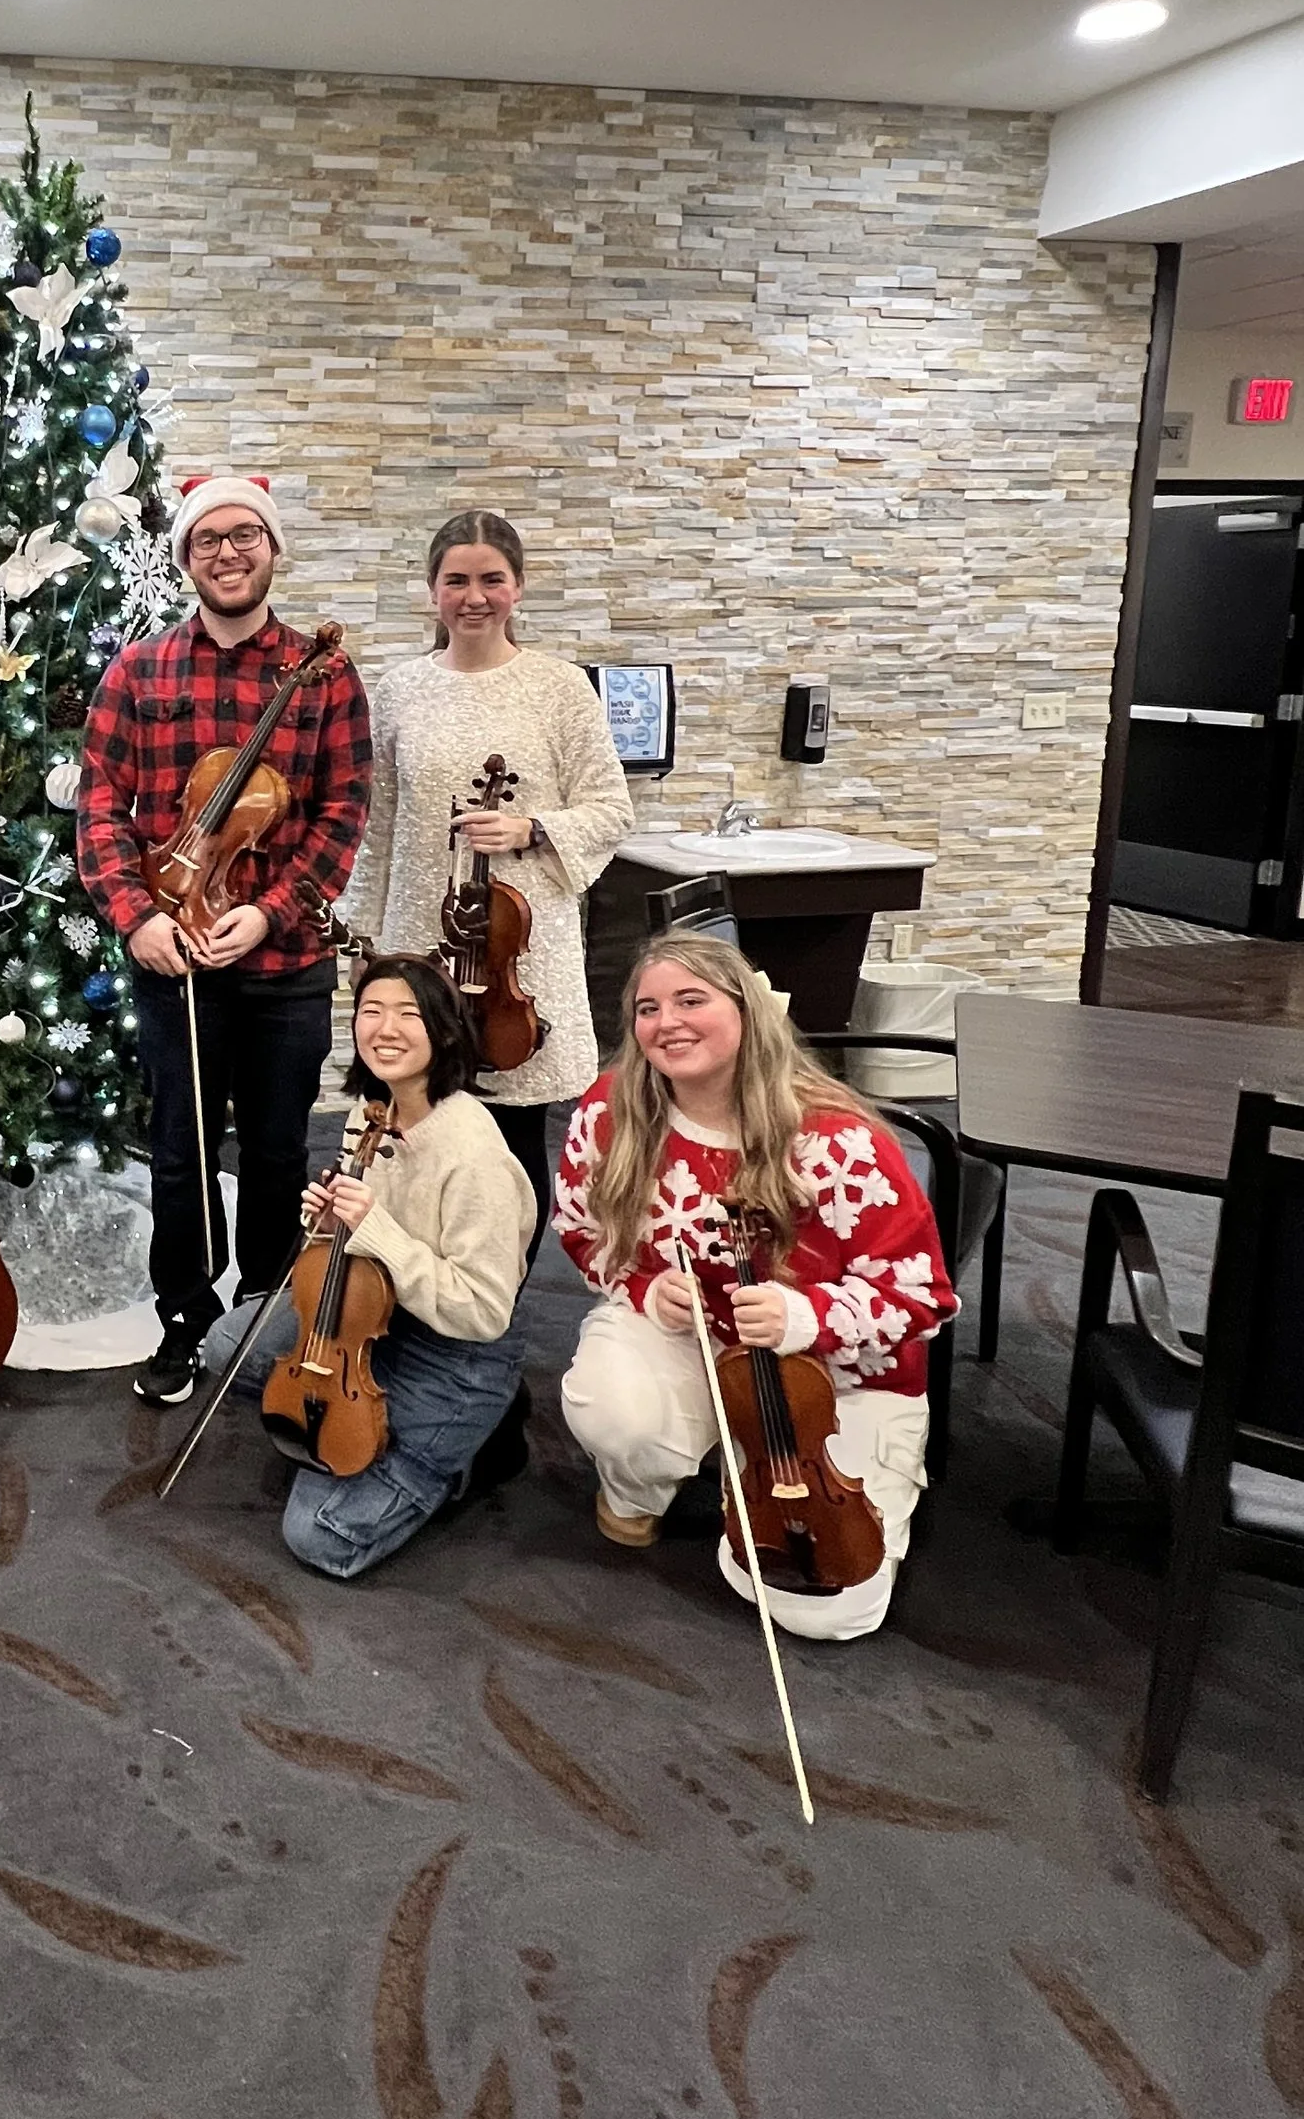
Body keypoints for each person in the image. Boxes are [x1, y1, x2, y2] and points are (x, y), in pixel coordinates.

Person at [554, 936, 958, 1642]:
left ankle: (751, 1462)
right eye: (648, 1008)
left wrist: (805, 1316)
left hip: (835, 1378)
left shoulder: (840, 1140)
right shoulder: (610, 1110)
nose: (667, 1022)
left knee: (829, 1608)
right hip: (696, 1339)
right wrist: (644, 1287)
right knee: (614, 1412)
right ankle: (649, 1475)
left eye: (691, 1000)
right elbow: (581, 1227)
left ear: (746, 1010)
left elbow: (921, 1295)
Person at [76, 473, 373, 1407]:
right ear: (187, 559)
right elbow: (98, 808)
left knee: (282, 1147)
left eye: (247, 535)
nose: (230, 553)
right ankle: (183, 1315)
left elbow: (340, 814)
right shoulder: (141, 670)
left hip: (283, 959)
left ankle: (267, 1310)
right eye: (209, 540)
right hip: (175, 956)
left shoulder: (324, 676)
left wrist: (271, 910)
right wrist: (140, 917)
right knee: (179, 1146)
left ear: (272, 549)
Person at [347, 506, 634, 1229]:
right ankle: (415, 1296)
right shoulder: (401, 690)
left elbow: (611, 808)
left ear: (518, 586)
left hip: (518, 951)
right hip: (423, 934)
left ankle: (497, 1306)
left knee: (509, 1143)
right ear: (432, 590)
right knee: (414, 1125)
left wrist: (531, 826)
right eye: (456, 580)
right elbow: (375, 826)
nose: (474, 596)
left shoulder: (560, 687)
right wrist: (364, 937)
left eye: (491, 579)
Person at [201, 957, 531, 1578]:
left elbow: (483, 1312)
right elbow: (359, 1257)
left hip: (456, 1348)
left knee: (320, 1536)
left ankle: (475, 1445)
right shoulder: (373, 1114)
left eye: (410, 1014)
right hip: (374, 1320)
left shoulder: (472, 1155)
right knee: (227, 1346)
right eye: (371, 1012)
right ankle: (378, 1429)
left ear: (446, 1032)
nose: (386, 1028)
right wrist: (329, 1227)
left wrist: (375, 1228)